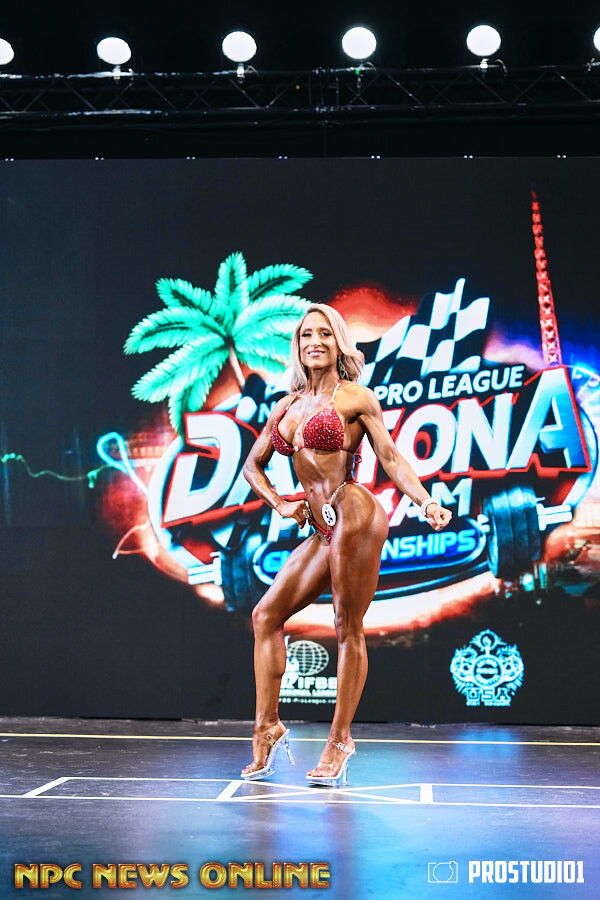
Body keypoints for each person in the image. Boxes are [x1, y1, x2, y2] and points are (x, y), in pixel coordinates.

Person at [241, 303, 452, 786]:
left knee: (346, 624)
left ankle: (339, 741)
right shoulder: (286, 406)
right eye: (306, 335)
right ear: (298, 346)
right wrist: (280, 504)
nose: (314, 342)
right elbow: (253, 466)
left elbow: (391, 457)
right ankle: (267, 727)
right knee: (265, 616)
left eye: (324, 334)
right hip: (321, 530)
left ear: (338, 344)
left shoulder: (356, 397)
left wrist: (425, 502)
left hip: (353, 510)